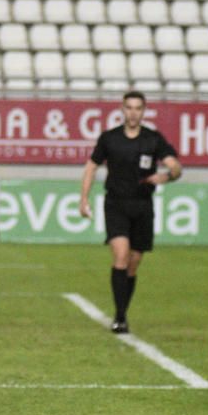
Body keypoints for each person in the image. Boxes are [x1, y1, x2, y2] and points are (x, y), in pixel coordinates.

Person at [78, 91, 182, 334]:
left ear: (143, 111)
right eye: (129, 107)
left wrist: (166, 175)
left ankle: (122, 312)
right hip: (116, 204)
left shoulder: (153, 139)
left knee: (134, 264)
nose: (133, 112)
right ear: (122, 110)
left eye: (138, 108)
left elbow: (176, 167)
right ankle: (120, 317)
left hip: (143, 206)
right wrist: (83, 198)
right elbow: (92, 166)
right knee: (121, 257)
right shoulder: (109, 138)